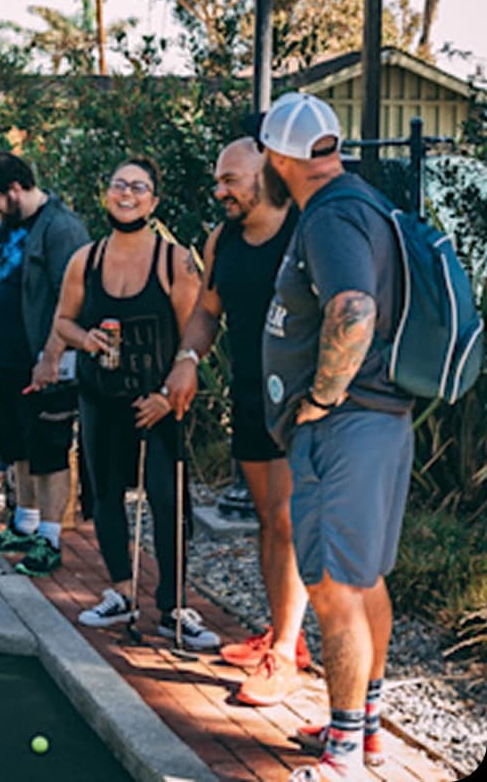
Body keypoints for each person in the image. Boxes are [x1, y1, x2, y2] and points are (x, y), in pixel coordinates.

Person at [259, 93, 413, 781]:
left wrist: (322, 395)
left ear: (280, 157)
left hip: (346, 429)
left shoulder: (330, 215)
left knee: (333, 589)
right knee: (362, 578)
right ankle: (366, 727)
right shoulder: (362, 201)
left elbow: (353, 306)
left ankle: (343, 754)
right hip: (379, 423)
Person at [164, 137, 310, 703]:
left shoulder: (305, 230)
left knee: (287, 522)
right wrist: (187, 360)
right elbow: (208, 308)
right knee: (270, 522)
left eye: (231, 180)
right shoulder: (222, 238)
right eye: (218, 180)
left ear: (267, 173)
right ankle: (284, 635)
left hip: (301, 400)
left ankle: (285, 655)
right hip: (251, 396)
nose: (220, 190)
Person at [56, 156, 220, 651]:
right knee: (105, 498)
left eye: (138, 187)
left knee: (167, 503)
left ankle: (172, 608)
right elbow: (63, 320)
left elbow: (195, 338)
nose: (126, 194)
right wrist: (85, 341)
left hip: (156, 403)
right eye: (118, 185)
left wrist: (168, 398)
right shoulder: (86, 258)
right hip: (100, 398)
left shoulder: (173, 262)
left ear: (154, 200)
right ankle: (121, 592)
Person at [0, 151, 88, 577]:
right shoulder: (7, 223)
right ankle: (24, 522)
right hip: (2, 357)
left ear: (16, 189)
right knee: (15, 445)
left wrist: (51, 357)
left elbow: (70, 300)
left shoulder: (60, 228)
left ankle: (50, 537)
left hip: (41, 359)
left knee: (48, 447)